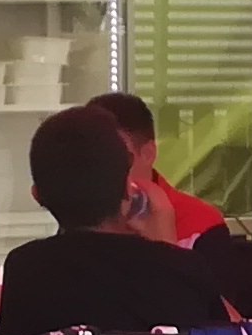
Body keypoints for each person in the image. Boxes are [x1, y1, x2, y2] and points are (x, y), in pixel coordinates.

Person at [0, 105, 231, 334]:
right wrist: (168, 250)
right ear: (128, 188)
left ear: (37, 196)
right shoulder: (184, 270)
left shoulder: (25, 268)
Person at [86, 91, 227, 245]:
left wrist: (163, 246)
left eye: (116, 156)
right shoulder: (79, 220)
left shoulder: (200, 224)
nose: (103, 168)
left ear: (147, 153)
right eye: (89, 158)